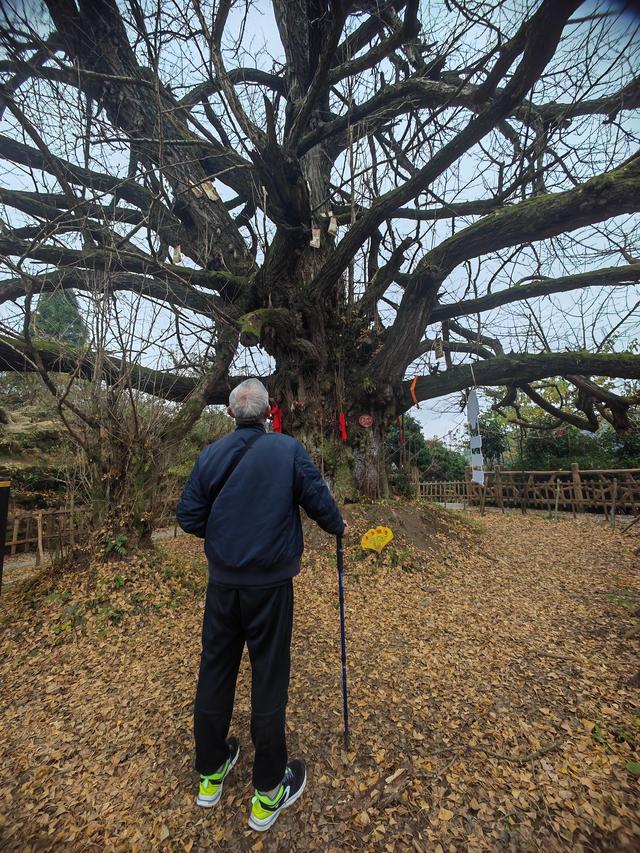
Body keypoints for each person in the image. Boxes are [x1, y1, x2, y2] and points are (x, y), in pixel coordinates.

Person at [176, 378, 348, 832]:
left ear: (231, 414)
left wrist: (225, 539)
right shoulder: (288, 451)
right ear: (270, 412)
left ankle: (211, 772)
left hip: (222, 585)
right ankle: (268, 789)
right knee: (269, 674)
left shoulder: (210, 455)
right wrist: (340, 527)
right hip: (269, 586)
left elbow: (189, 516)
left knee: (216, 668)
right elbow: (319, 502)